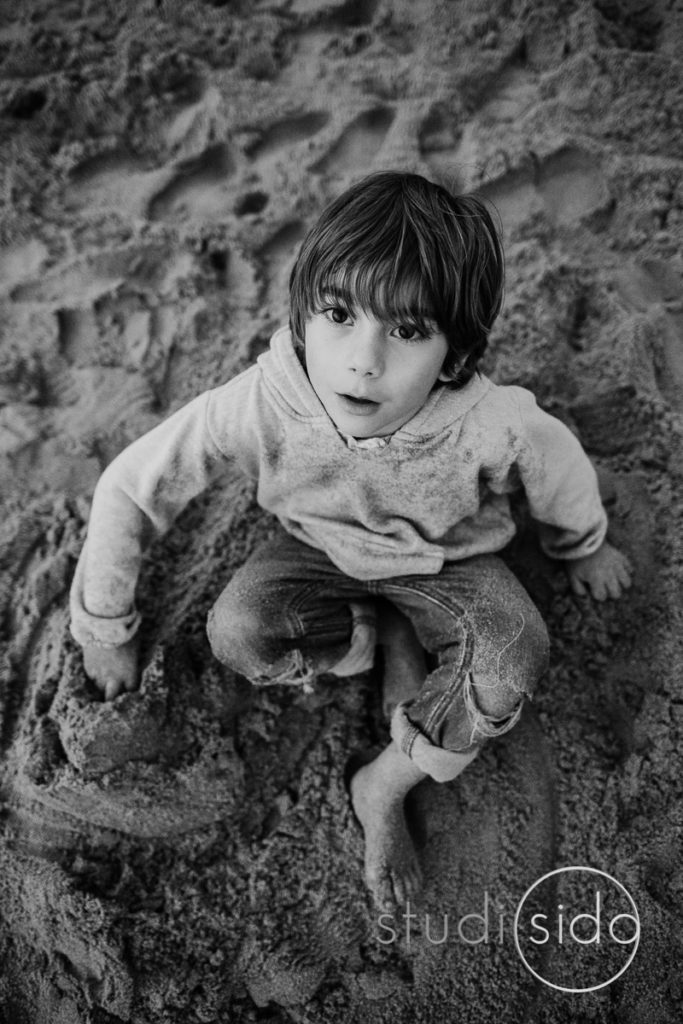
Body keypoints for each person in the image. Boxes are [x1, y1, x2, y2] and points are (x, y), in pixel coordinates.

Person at [69, 171, 632, 908]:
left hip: (448, 562)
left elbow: (556, 464)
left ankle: (381, 783)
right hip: (320, 554)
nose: (363, 359)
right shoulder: (260, 402)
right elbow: (133, 485)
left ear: (455, 356)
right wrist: (103, 624)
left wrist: (582, 543)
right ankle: (367, 642)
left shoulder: (490, 422)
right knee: (238, 631)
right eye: (338, 314)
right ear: (302, 315)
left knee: (512, 656)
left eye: (406, 331)